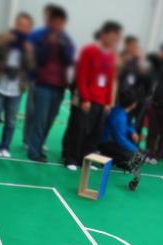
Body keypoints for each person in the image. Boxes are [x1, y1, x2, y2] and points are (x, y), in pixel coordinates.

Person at [62, 21, 122, 170]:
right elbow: (82, 75)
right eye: (113, 37)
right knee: (78, 129)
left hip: (101, 101)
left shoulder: (111, 56)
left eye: (117, 38)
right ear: (104, 35)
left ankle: (86, 160)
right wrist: (85, 98)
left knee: (94, 133)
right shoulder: (89, 50)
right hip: (87, 99)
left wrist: (108, 102)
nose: (115, 41)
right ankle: (70, 158)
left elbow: (109, 80)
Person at [26, 5, 75, 163]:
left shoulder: (65, 39)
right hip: (42, 84)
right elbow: (38, 59)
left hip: (59, 86)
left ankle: (39, 146)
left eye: (61, 23)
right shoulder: (39, 36)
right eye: (56, 22)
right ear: (50, 21)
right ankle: (33, 151)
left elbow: (69, 59)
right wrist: (48, 44)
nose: (58, 26)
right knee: (40, 118)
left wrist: (60, 45)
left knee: (50, 119)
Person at [0, 12, 35, 158]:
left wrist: (28, 52)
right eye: (20, 24)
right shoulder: (4, 37)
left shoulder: (30, 45)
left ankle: (5, 146)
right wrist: (5, 43)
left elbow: (32, 66)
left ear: (29, 28)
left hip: (16, 88)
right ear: (15, 24)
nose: (22, 28)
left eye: (25, 26)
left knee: (11, 121)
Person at [22, 3, 57, 148]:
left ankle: (40, 140)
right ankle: (27, 139)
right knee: (32, 110)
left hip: (51, 82)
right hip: (36, 78)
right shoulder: (36, 35)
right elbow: (28, 54)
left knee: (46, 113)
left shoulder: (60, 38)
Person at [98, 89, 139, 169]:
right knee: (131, 155)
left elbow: (125, 126)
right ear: (133, 104)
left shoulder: (119, 110)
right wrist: (134, 149)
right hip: (106, 142)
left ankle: (109, 157)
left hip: (107, 141)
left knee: (131, 151)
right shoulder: (120, 117)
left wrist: (132, 131)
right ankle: (107, 159)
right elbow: (120, 139)